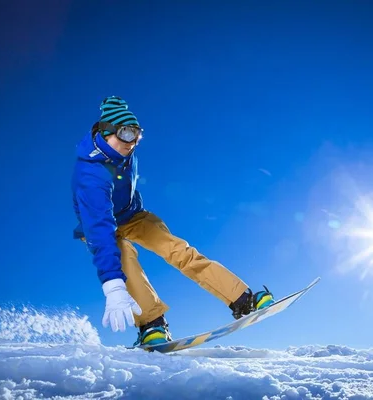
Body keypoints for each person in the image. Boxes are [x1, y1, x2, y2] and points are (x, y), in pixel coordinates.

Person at [71, 96, 275, 346]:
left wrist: (119, 112)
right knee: (124, 259)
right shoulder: (91, 175)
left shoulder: (123, 148)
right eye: (126, 134)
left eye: (137, 135)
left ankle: (243, 299)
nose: (132, 142)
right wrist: (112, 286)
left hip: (133, 216)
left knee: (178, 250)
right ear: (106, 132)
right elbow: (99, 228)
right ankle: (151, 325)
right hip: (100, 227)